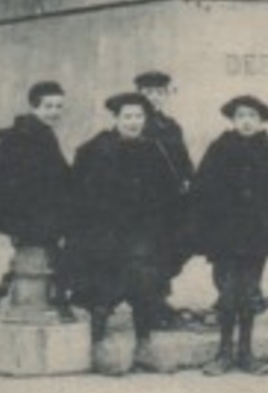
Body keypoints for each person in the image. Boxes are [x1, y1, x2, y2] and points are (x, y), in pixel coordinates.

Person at [65, 92, 181, 374]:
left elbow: (169, 193)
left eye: (138, 117)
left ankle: (144, 345)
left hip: (144, 237)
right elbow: (81, 196)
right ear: (115, 118)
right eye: (127, 117)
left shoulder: (155, 150)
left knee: (145, 290)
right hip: (107, 236)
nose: (133, 122)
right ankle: (99, 346)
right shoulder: (95, 150)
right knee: (104, 292)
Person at [185, 94, 268, 376]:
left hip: (255, 239)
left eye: (252, 117)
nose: (246, 122)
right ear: (233, 120)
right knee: (226, 294)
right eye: (240, 117)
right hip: (224, 238)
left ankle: (246, 353)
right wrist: (203, 232)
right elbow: (201, 192)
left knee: (249, 293)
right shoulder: (219, 149)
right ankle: (223, 354)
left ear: (261, 121)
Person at [0, 81, 74, 314]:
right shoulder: (23, 136)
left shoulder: (41, 132)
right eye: (49, 106)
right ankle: (49, 302)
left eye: (59, 106)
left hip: (40, 212)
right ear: (35, 106)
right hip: (30, 215)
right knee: (47, 255)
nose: (54, 111)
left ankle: (54, 298)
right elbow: (16, 182)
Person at [134, 69, 195, 327]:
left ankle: (159, 301)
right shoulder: (134, 122)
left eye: (159, 93)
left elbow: (184, 163)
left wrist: (190, 184)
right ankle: (149, 307)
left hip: (170, 204)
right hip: (143, 204)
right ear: (139, 95)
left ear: (166, 95)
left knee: (171, 250)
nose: (154, 98)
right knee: (147, 255)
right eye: (148, 93)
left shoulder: (171, 127)